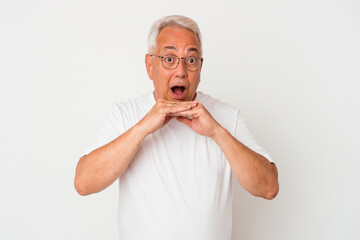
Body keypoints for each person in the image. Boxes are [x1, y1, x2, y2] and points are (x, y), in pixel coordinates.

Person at [74, 15, 279, 240]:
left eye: (190, 60)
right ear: (150, 66)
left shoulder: (227, 116)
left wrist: (217, 133)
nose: (181, 71)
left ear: (200, 69)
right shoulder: (125, 114)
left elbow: (268, 187)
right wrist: (143, 128)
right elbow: (84, 183)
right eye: (169, 59)